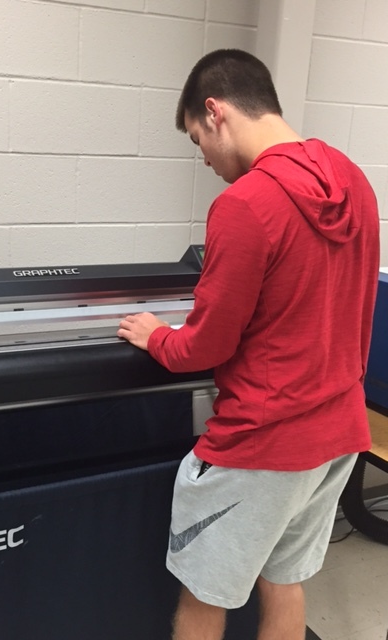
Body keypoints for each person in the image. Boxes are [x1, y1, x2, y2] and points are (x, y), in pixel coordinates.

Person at [117, 49, 380, 640]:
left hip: (262, 445)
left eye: (195, 140)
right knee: (283, 581)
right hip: (338, 432)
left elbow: (202, 348)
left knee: (205, 597)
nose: (205, 160)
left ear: (215, 112)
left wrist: (155, 333)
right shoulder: (354, 182)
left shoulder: (243, 204)